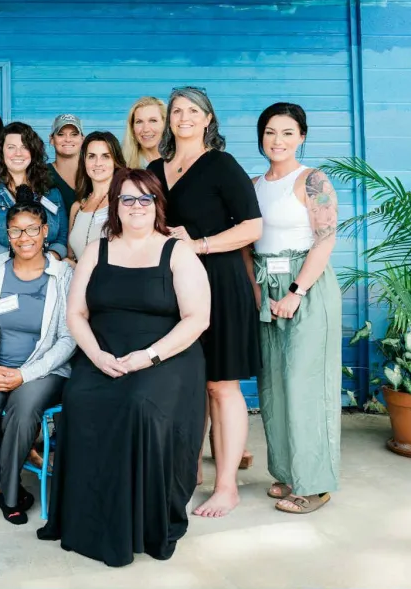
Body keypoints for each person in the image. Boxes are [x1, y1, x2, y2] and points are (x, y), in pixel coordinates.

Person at [38, 168, 210, 566]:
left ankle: (139, 522)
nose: (136, 206)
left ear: (157, 205)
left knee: (138, 404)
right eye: (127, 199)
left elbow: (197, 319)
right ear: (114, 205)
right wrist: (96, 355)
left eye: (145, 199)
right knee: (79, 399)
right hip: (105, 352)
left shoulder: (176, 250)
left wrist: (149, 356)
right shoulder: (98, 249)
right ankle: (87, 519)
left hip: (168, 356)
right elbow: (76, 313)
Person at [147, 87, 262, 518]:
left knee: (221, 384)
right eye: (177, 110)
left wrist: (200, 245)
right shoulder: (156, 169)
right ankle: (188, 469)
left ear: (208, 119)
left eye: (193, 110)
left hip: (220, 280)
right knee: (186, 382)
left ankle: (227, 486)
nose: (184, 117)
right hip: (173, 286)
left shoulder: (221, 165)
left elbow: (252, 226)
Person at [0, 188, 76, 525]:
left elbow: (69, 338)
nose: (24, 237)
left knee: (23, 409)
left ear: (44, 232)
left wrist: (25, 375)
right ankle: (5, 488)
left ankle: (8, 494)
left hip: (44, 370)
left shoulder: (63, 275)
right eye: (16, 230)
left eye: (31, 229)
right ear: (8, 235)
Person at [249, 103, 341, 515]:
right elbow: (248, 244)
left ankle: (315, 484)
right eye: (270, 132)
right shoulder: (252, 184)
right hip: (264, 287)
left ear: (301, 136)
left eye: (287, 132)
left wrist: (296, 291)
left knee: (305, 385)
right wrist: (259, 294)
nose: (278, 141)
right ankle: (287, 474)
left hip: (306, 285)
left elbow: (324, 240)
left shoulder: (313, 180)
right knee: (274, 387)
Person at [0, 122, 70, 271]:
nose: (18, 153)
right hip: (0, 276)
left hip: (46, 275)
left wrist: (50, 258)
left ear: (33, 152)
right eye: (11, 147)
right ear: (1, 152)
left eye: (24, 147)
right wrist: (18, 261)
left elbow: (63, 236)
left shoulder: (51, 193)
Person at [67, 131, 125, 263]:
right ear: (84, 161)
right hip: (80, 281)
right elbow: (71, 256)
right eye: (91, 156)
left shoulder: (124, 202)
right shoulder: (77, 208)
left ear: (115, 161)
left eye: (105, 156)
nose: (98, 163)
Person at [48, 114, 84, 211]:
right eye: (61, 134)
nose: (68, 139)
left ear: (82, 139)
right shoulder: (41, 174)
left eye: (74, 134)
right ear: (51, 139)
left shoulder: (93, 172)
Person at [122, 97, 168, 168]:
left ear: (165, 124)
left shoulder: (180, 160)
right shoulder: (122, 164)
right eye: (139, 122)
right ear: (132, 128)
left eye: (153, 121)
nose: (146, 129)